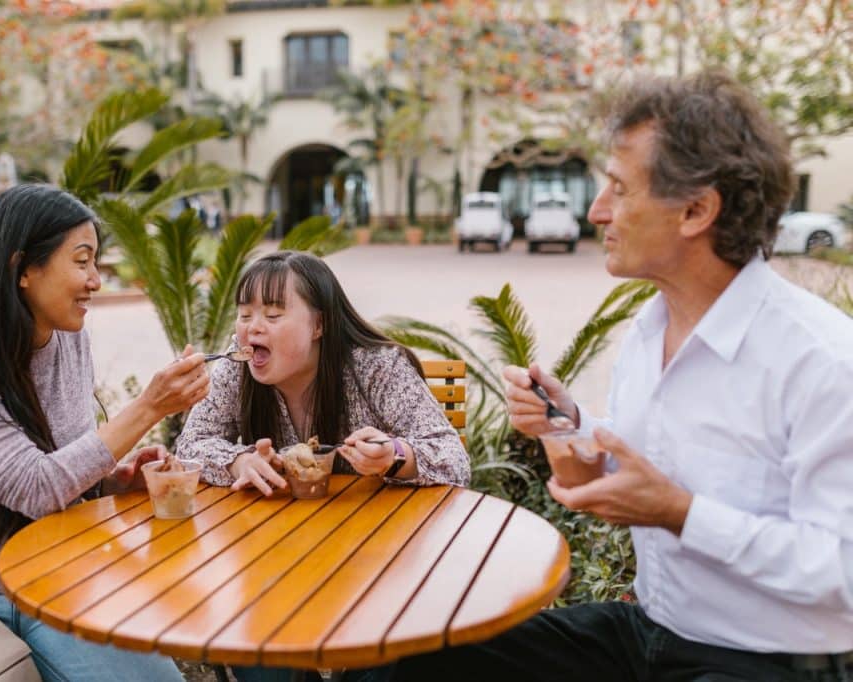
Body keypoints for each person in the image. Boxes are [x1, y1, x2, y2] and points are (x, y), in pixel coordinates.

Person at [394, 70, 853, 681]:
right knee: (418, 659)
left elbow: (842, 573)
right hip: (649, 637)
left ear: (696, 210)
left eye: (617, 188)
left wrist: (678, 513)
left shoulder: (821, 359)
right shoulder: (649, 327)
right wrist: (571, 426)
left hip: (770, 662)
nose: (595, 211)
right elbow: (635, 465)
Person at [0, 184, 210, 681]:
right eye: (82, 261)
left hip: (58, 580)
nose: (96, 280)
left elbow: (57, 474)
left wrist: (113, 481)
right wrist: (148, 407)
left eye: (96, 262)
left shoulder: (70, 341)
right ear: (23, 268)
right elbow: (32, 488)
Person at [176, 250, 470, 682]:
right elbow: (190, 445)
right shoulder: (235, 370)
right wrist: (237, 461)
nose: (252, 328)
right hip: (274, 562)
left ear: (319, 325)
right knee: (259, 656)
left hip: (380, 561)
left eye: (274, 314)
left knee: (392, 659)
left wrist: (395, 455)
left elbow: (453, 459)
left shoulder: (376, 367)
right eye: (244, 314)